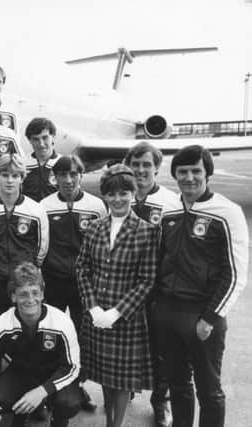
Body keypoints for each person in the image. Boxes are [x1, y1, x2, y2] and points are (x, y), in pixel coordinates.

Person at [152, 145, 248, 427]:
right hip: (168, 313)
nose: (190, 177)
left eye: (196, 171)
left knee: (209, 391)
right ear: (175, 175)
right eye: (183, 171)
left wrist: (210, 317)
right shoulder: (168, 211)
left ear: (208, 174)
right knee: (179, 384)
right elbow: (161, 261)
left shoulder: (227, 212)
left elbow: (236, 273)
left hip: (202, 315)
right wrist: (158, 307)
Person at [76, 163, 158, 427]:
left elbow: (147, 280)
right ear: (105, 196)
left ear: (133, 194)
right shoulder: (95, 228)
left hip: (125, 318)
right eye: (112, 194)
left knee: (121, 379)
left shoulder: (146, 231)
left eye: (124, 193)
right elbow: (82, 268)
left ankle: (115, 423)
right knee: (104, 375)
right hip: (97, 315)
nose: (118, 199)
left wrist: (116, 312)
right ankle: (110, 414)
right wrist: (93, 308)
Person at [40, 155, 107, 413]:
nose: (68, 180)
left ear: (81, 175)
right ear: (54, 178)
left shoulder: (96, 206)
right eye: (62, 175)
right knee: (51, 335)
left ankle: (77, 385)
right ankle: (47, 388)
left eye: (73, 174)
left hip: (83, 285)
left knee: (81, 337)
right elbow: (40, 246)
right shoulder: (44, 206)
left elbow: (102, 246)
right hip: (54, 281)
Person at [0, 262, 81, 427]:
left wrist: (42, 391)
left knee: (69, 403)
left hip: (53, 374)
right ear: (13, 296)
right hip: (21, 373)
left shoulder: (61, 321)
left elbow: (72, 367)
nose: (30, 300)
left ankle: (58, 419)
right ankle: (23, 412)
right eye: (23, 294)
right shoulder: (3, 322)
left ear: (42, 294)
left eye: (35, 293)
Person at [123, 141, 180, 427]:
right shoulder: (121, 198)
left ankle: (161, 399)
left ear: (157, 168)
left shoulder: (171, 202)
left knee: (161, 347)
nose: (141, 170)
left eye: (147, 164)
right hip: (126, 288)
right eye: (136, 164)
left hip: (158, 289)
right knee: (127, 343)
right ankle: (126, 388)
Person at [0, 154, 49, 328]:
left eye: (15, 176)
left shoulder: (36, 210)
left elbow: (41, 248)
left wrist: (27, 269)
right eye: (5, 175)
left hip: (23, 282)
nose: (10, 181)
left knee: (24, 327)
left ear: (22, 179)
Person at [22, 118, 61, 202]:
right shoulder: (22, 164)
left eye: (45, 138)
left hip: (54, 213)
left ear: (53, 137)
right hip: (30, 213)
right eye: (36, 139)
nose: (41, 144)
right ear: (30, 141)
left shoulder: (63, 163)